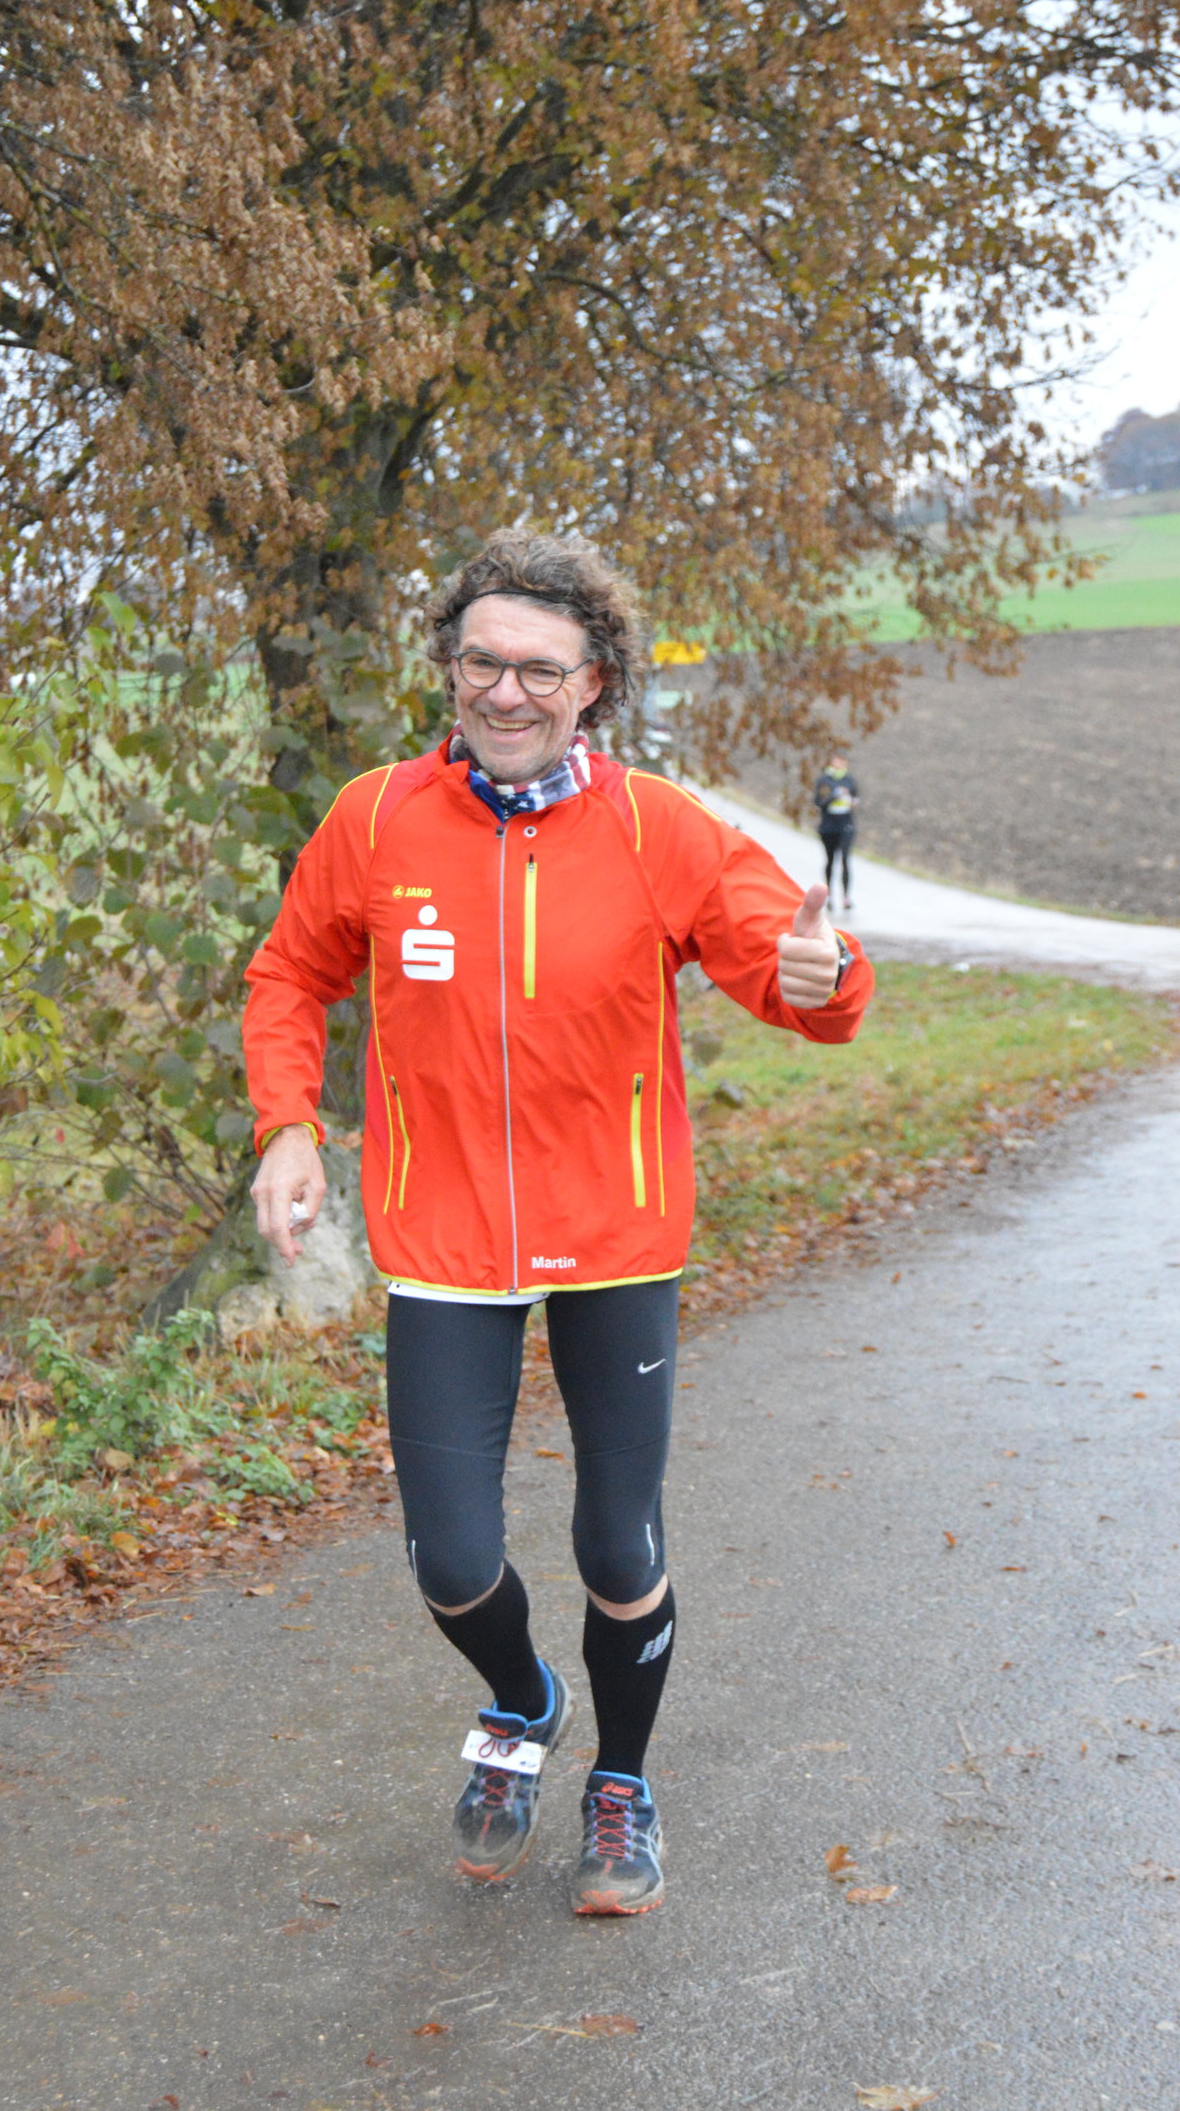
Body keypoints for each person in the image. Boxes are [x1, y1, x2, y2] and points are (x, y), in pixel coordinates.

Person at [243, 532, 873, 1917]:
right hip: (444, 1235)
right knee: (452, 1559)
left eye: (539, 668)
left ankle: (621, 1783)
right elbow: (289, 973)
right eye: (482, 662)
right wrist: (287, 1122)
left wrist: (822, 976)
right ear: (448, 668)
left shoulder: (660, 829)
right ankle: (523, 1700)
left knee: (617, 1545)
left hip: (615, 1236)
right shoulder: (377, 818)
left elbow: (803, 985)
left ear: (593, 683)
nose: (506, 691)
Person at [813, 757, 860, 914]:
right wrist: (835, 795)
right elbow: (819, 803)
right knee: (830, 861)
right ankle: (829, 896)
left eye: (842, 761)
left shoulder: (849, 780)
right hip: (828, 826)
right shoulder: (824, 780)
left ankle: (846, 897)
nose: (838, 764)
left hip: (846, 825)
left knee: (845, 860)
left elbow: (855, 798)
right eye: (836, 761)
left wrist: (852, 801)